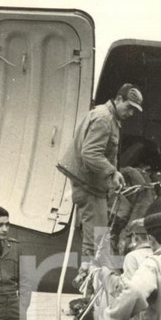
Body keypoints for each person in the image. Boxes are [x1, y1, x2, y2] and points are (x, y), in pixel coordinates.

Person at [57, 83, 144, 264]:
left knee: (97, 240)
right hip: (89, 187)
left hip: (92, 185)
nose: (130, 114)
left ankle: (92, 285)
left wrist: (112, 175)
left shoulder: (104, 115)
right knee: (96, 243)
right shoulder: (104, 120)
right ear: (118, 99)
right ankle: (90, 288)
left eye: (134, 110)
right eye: (129, 107)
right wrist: (112, 173)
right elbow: (90, 153)